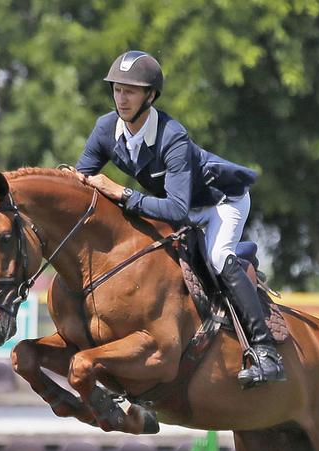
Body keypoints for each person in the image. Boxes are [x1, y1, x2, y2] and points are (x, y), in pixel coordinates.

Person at [75, 50, 285, 388]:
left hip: (221, 203)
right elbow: (80, 179)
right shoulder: (105, 129)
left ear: (150, 95)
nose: (121, 98)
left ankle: (265, 352)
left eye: (130, 90)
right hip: (178, 203)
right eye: (117, 89)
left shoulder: (172, 136)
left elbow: (176, 210)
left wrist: (123, 193)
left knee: (218, 257)